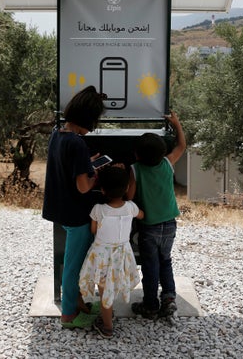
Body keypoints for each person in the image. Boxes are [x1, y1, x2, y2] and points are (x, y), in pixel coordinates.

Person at [42, 85, 106, 329]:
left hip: (60, 208)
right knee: (73, 265)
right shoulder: (78, 144)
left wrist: (85, 165)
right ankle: (68, 314)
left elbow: (64, 166)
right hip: (77, 214)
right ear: (89, 118)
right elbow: (82, 187)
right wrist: (96, 174)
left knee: (73, 262)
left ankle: (77, 302)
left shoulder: (57, 133)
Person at [127, 110, 186, 319]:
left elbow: (129, 197)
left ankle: (150, 304)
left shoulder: (135, 169)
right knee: (166, 261)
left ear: (137, 155)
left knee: (151, 266)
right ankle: (169, 299)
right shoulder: (168, 163)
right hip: (170, 224)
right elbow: (181, 146)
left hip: (149, 227)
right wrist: (176, 123)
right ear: (162, 152)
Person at [79, 165, 144, 338]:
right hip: (121, 255)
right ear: (127, 188)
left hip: (102, 257)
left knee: (104, 290)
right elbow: (142, 215)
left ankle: (107, 326)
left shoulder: (98, 210)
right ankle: (108, 316)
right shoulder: (130, 207)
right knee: (112, 285)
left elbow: (93, 230)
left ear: (102, 189)